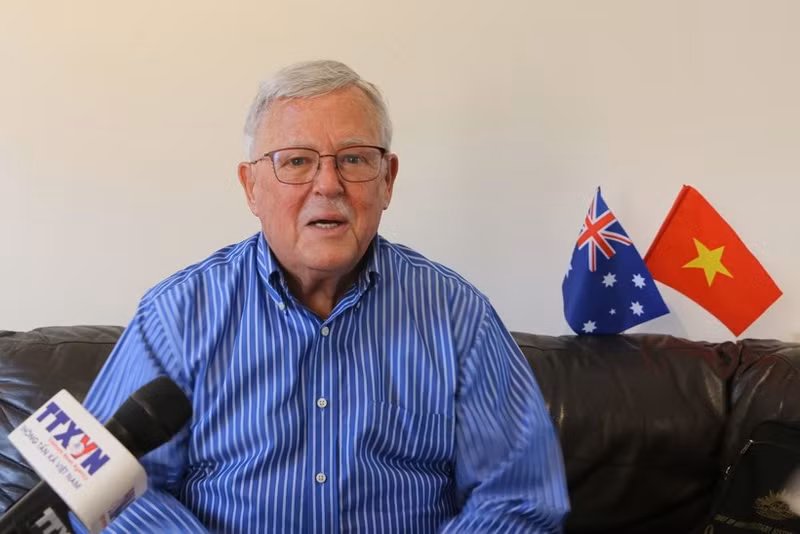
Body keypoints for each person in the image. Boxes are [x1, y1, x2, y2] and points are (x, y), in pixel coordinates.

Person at [78, 60, 569, 533]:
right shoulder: (177, 316)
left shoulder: (459, 317)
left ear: (387, 180)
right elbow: (103, 485)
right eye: (296, 162)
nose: (328, 185)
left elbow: (518, 497)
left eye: (354, 159)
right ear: (251, 187)